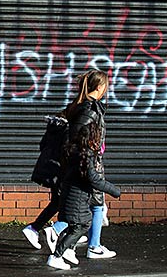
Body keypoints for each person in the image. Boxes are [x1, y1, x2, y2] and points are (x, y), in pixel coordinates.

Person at [46, 69, 121, 270]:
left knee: (88, 213)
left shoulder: (89, 107)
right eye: (105, 85)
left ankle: (72, 245)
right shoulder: (88, 109)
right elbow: (79, 139)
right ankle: (63, 239)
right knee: (87, 214)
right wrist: (87, 157)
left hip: (86, 164)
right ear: (100, 87)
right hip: (86, 166)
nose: (107, 89)